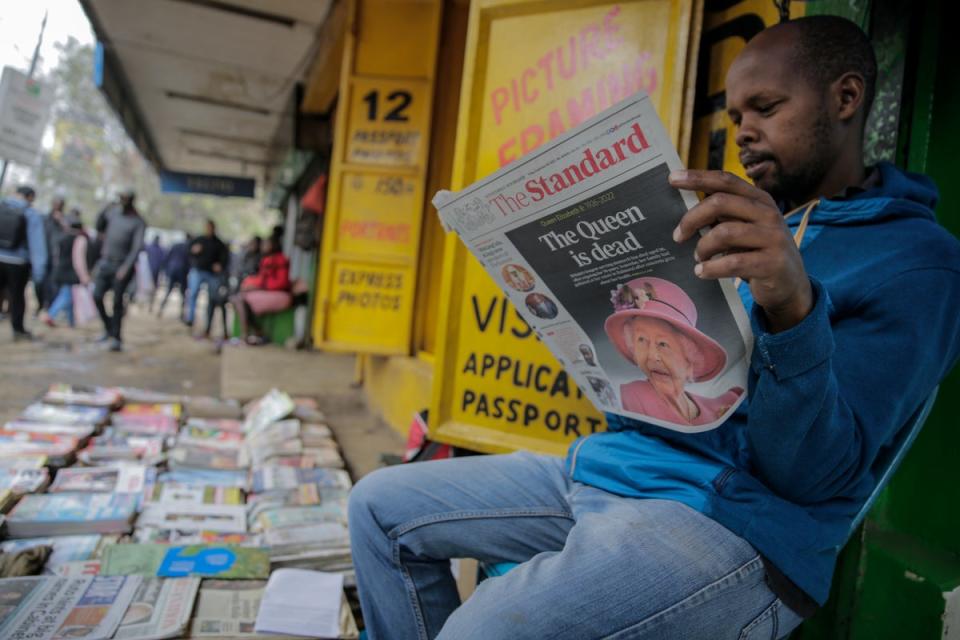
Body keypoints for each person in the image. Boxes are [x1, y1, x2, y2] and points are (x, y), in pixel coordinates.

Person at [347, 16, 960, 640]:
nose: (744, 133)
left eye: (766, 108)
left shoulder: (914, 263)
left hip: (730, 521)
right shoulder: (734, 218)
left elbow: (813, 476)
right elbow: (651, 400)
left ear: (846, 98)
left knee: (480, 631)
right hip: (619, 469)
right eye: (735, 117)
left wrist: (793, 309)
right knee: (378, 508)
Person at [604, 277, 743, 426]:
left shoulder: (722, 406)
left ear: (689, 359)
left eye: (663, 344)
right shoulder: (633, 394)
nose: (652, 356)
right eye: (641, 340)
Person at [92, 190, 145, 352]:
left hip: (122, 266)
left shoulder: (138, 222)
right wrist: (105, 207)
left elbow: (136, 248)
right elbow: (99, 225)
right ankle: (109, 328)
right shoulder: (113, 214)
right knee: (97, 296)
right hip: (106, 262)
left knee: (117, 302)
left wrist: (126, 268)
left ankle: (116, 337)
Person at [0, 186, 48, 341]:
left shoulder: (2, 206)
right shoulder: (31, 214)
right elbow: (37, 244)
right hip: (19, 263)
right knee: (17, 296)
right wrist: (39, 272)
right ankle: (18, 330)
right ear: (30, 197)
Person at [230, 236, 290, 345]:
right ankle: (257, 332)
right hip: (269, 292)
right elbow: (261, 279)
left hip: (280, 295)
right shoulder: (267, 259)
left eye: (266, 244)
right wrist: (249, 283)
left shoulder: (280, 260)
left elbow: (282, 283)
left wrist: (259, 287)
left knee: (239, 299)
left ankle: (246, 335)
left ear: (273, 245)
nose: (263, 246)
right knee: (237, 299)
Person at [43, 213, 92, 327]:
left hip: (59, 270)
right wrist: (83, 276)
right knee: (66, 296)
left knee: (69, 296)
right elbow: (78, 259)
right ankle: (50, 315)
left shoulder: (62, 237)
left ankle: (71, 322)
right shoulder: (80, 239)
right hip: (71, 272)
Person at [185, 219, 228, 333]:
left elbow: (225, 258)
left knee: (212, 299)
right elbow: (189, 251)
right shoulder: (199, 240)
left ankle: (207, 325)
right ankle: (190, 318)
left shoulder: (219, 243)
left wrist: (220, 265)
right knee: (193, 294)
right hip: (198, 271)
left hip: (211, 274)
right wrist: (194, 251)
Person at [38, 196, 67, 313]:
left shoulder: (65, 220)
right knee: (40, 282)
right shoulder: (45, 218)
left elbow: (69, 233)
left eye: (59, 204)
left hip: (58, 257)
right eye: (55, 204)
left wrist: (62, 221)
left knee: (54, 283)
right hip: (43, 255)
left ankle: (51, 305)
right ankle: (42, 304)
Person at [156, 234, 190, 320]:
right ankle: (182, 314)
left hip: (172, 269)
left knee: (168, 291)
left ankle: (161, 310)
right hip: (182, 271)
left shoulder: (176, 245)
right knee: (183, 293)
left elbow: (167, 257)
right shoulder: (189, 247)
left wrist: (165, 270)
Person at [144, 236, 166, 311]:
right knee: (152, 289)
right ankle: (150, 303)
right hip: (154, 271)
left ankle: (149, 303)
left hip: (148, 271)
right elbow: (163, 261)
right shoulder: (160, 249)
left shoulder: (149, 248)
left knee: (148, 289)